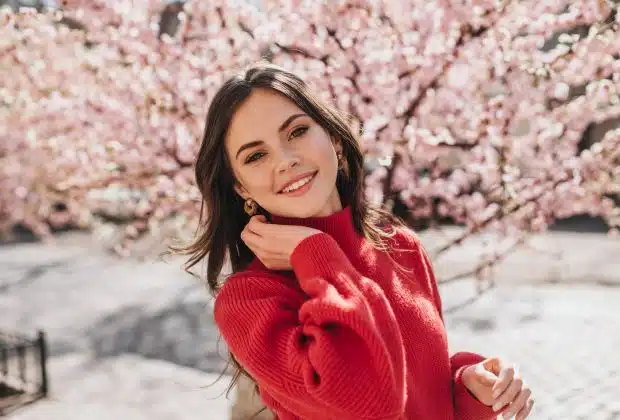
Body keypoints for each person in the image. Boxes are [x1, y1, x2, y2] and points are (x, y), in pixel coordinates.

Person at [179, 62, 535, 420]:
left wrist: (467, 387)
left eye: (297, 131)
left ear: (333, 136)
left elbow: (424, 396)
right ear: (240, 186)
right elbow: (370, 405)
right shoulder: (251, 301)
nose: (285, 161)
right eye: (256, 156)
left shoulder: (400, 247)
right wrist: (315, 252)